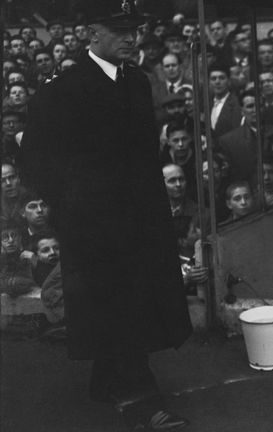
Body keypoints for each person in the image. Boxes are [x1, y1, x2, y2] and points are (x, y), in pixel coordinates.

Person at [18, 2, 191, 429]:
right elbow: (34, 157)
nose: (131, 37)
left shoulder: (136, 81)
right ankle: (141, 401)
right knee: (119, 305)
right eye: (119, 29)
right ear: (92, 33)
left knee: (132, 303)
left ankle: (106, 379)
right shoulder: (65, 88)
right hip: (93, 226)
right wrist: (70, 207)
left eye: (134, 29)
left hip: (140, 219)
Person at [218, 90, 262, 182]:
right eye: (250, 106)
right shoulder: (229, 141)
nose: (255, 110)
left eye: (259, 105)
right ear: (242, 111)